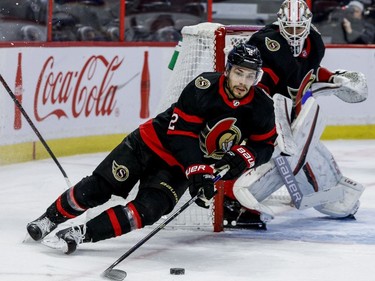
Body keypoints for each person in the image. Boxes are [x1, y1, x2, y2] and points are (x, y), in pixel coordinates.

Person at [26, 43, 277, 254]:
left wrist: (245, 157)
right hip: (148, 145)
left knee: (148, 211)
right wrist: (199, 171)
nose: (243, 81)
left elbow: (265, 144)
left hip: (178, 170)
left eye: (249, 75)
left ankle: (81, 234)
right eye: (239, 73)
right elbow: (180, 134)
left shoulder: (262, 106)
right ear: (228, 70)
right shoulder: (203, 87)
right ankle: (49, 219)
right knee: (100, 187)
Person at [222, 0, 367, 229]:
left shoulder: (315, 42)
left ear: (308, 25)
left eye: (299, 28)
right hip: (258, 116)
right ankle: (230, 200)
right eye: (288, 29)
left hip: (291, 116)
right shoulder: (265, 43)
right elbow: (256, 87)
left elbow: (309, 72)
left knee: (303, 155)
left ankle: (334, 194)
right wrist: (271, 122)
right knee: (266, 156)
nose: (294, 34)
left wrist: (332, 79)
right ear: (280, 24)